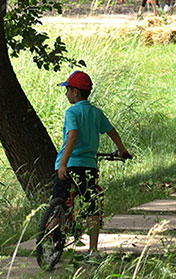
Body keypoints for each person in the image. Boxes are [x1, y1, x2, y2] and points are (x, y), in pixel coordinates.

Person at [54, 70, 132, 264]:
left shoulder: (72, 112)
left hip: (69, 165)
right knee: (92, 207)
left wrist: (63, 163)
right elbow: (112, 132)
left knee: (59, 202)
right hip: (89, 167)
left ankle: (49, 240)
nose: (66, 94)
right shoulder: (96, 113)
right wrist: (121, 150)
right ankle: (93, 250)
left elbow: (72, 135)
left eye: (67, 90)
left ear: (75, 92)